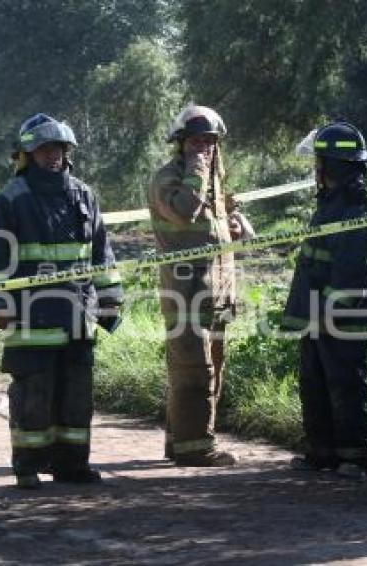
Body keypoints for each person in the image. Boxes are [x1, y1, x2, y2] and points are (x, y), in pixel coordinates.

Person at [0, 113, 124, 489]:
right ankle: (27, 467)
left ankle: (72, 465)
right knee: (33, 395)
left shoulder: (84, 195)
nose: (53, 155)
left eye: (58, 147)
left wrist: (110, 300)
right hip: (31, 315)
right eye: (44, 149)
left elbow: (101, 255)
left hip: (77, 315)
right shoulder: (12, 198)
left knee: (77, 396)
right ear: (28, 154)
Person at [148, 104, 252, 467]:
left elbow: (226, 223)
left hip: (217, 294)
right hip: (185, 293)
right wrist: (197, 170)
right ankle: (197, 449)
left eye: (210, 142)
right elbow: (185, 210)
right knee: (194, 370)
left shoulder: (214, 182)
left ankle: (182, 440)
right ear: (181, 143)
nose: (205, 148)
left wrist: (237, 226)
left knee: (213, 368)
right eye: (196, 141)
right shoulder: (169, 179)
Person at [284, 121, 367, 480]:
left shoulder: (355, 210)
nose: (315, 171)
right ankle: (321, 453)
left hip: (342, 316)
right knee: (314, 381)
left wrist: (329, 309)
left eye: (319, 163)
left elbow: (350, 271)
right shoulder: (331, 204)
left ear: (332, 166)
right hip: (318, 314)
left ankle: (355, 458)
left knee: (346, 385)